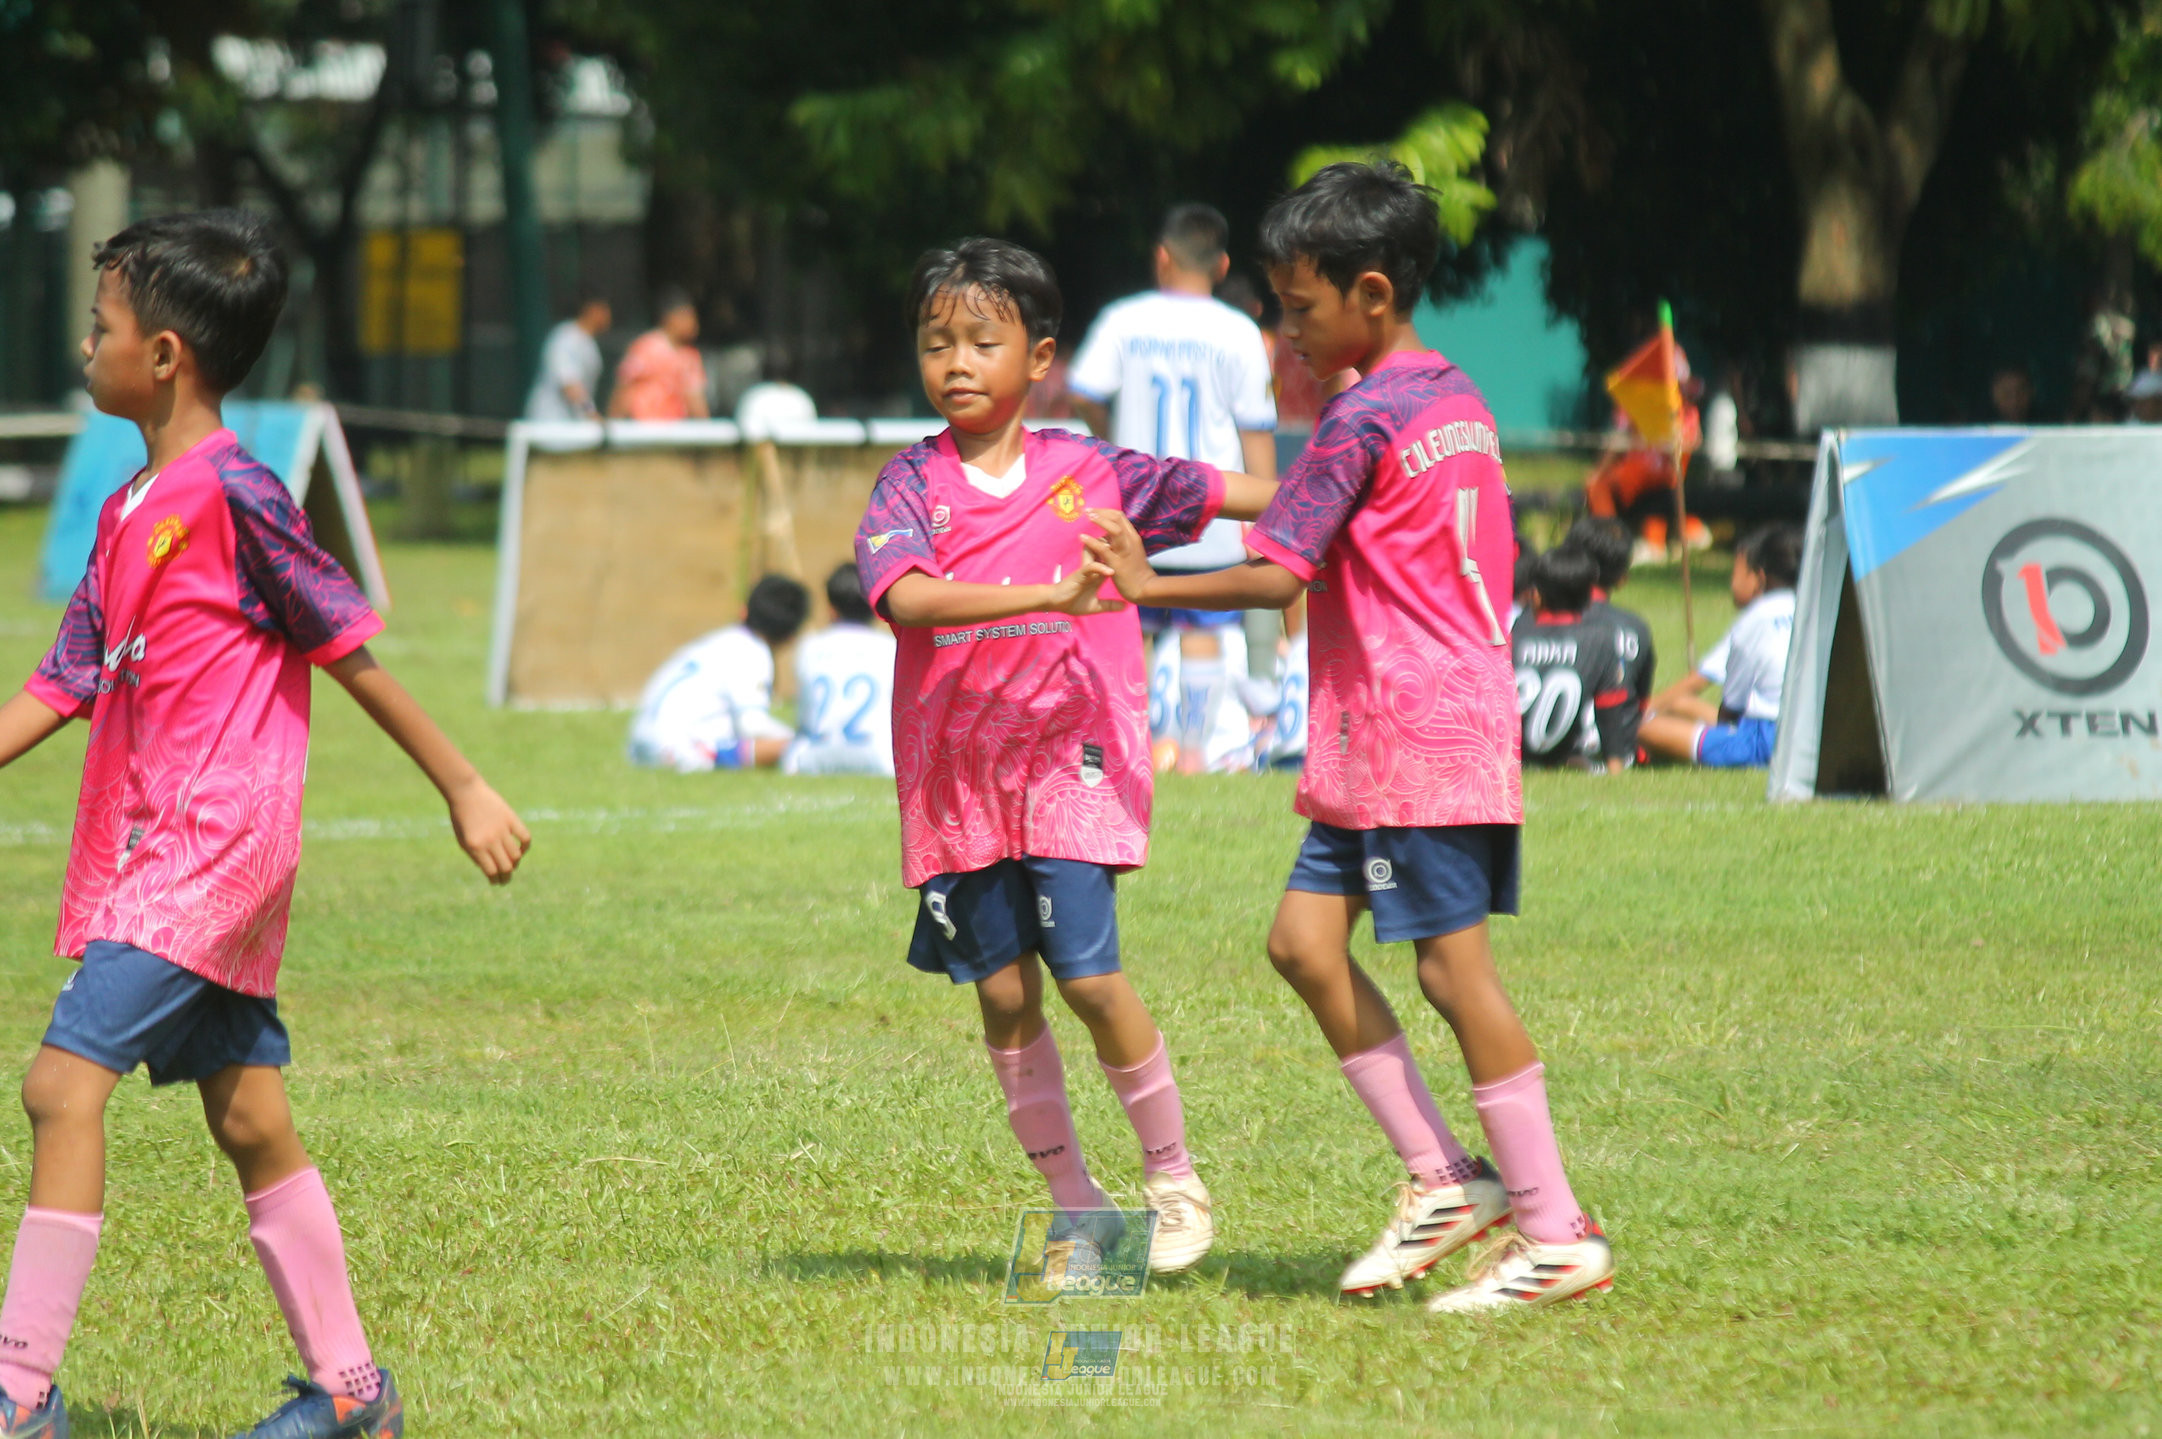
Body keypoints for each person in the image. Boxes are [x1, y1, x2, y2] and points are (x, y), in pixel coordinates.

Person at [0, 210, 531, 1439]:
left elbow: (350, 652)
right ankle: (353, 1396)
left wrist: (463, 783)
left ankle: (19, 1390)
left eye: (102, 326)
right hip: (154, 845)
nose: (86, 345)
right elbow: (64, 680)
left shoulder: (238, 495)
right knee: (248, 1113)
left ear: (169, 354)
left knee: (58, 1084)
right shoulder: (128, 507)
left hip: (212, 848)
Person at [1087, 160, 1613, 1313]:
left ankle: (1552, 1225)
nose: (1284, 326)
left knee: (1448, 968)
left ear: (1369, 293)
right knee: (1302, 943)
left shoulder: (1359, 409)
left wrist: (1140, 583)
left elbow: (1279, 570)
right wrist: (1168, 490)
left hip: (1410, 732)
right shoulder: (1446, 393)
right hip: (1404, 732)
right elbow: (1302, 505)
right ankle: (1441, 1178)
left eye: (1299, 305)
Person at [853, 238, 1278, 1282]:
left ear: (1039, 357)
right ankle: (1079, 1214)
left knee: (1088, 977)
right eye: (935, 342)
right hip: (956, 776)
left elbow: (1258, 493)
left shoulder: (1097, 473)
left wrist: (1351, 485)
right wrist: (1048, 596)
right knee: (1002, 995)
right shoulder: (908, 483)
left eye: (980, 342)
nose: (955, 362)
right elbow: (906, 599)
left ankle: (1172, 1178)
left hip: (1069, 758)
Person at [1068, 203, 1278, 774]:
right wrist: (1264, 520)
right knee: (1200, 631)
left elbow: (1084, 388)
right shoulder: (1238, 332)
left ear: (1162, 256)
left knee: (1125, 626)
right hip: (1212, 507)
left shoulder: (1124, 319)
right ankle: (1190, 754)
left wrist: (1110, 439)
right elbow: (1256, 431)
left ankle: (1126, 753)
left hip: (1134, 503)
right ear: (1222, 264)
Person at [1639, 524, 1801, 768]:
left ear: (1759, 577)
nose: (1731, 583)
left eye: (1735, 574)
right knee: (1680, 705)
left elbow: (1728, 708)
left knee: (1637, 727)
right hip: (1811, 732)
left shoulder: (1755, 619)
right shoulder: (1813, 609)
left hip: (1766, 737)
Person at [627, 575, 809, 772]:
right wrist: (803, 739)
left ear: (743, 611)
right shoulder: (752, 652)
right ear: (791, 636)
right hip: (677, 749)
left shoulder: (714, 642)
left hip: (639, 744)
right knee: (794, 746)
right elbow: (753, 726)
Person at [1511, 546, 1640, 772]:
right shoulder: (1600, 641)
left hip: (1512, 758)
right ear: (1589, 599)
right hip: (1562, 756)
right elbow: (1609, 708)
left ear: (1536, 595)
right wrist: (1616, 768)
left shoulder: (1515, 636)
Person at [782, 562, 897, 777]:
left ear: (831, 608)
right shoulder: (890, 647)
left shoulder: (809, 647)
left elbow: (804, 714)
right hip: (879, 760)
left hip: (810, 758)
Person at [1569, 515, 1658, 721]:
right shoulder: (1636, 628)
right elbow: (1640, 707)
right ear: (1622, 577)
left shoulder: (1538, 620)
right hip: (1614, 739)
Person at [608, 288, 709, 421]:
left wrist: (705, 428)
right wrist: (614, 424)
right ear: (669, 317)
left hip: (673, 429)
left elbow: (695, 398)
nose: (692, 323)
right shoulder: (646, 347)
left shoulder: (690, 356)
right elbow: (625, 384)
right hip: (642, 428)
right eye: (686, 317)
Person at [523, 293, 611, 421]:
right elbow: (569, 385)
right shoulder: (566, 338)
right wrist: (591, 412)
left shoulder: (589, 343)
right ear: (592, 310)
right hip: (550, 422)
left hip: (572, 425)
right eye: (606, 310)